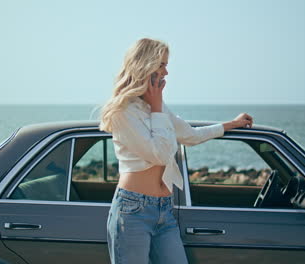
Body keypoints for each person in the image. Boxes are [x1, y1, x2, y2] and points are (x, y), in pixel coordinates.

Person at [99, 38, 253, 264]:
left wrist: (230, 124)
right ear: (145, 65)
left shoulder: (154, 107)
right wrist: (157, 106)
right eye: (162, 64)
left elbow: (190, 135)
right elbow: (159, 154)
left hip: (164, 210)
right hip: (133, 211)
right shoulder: (123, 112)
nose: (167, 72)